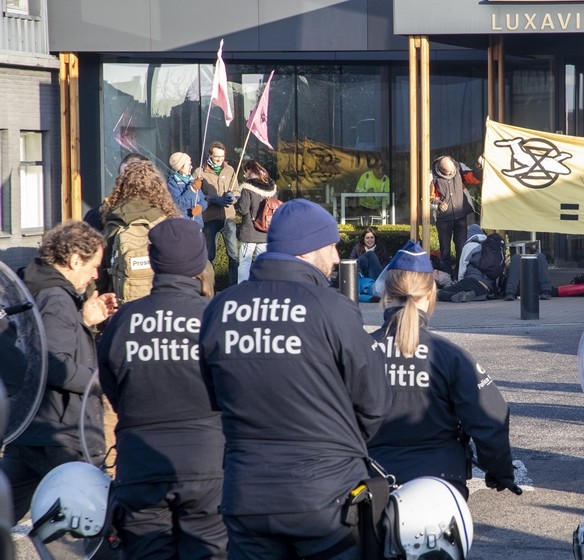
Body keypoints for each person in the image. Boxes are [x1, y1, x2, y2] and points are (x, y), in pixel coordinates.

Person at [199, 199, 391, 559]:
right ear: (307, 249)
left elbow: (213, 397)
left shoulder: (221, 309)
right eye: (331, 246)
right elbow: (374, 402)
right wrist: (341, 444)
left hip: (247, 494)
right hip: (325, 496)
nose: (337, 258)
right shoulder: (333, 308)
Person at [97, 218, 225, 559]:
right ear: (200, 262)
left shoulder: (124, 320)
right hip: (206, 463)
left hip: (139, 464)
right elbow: (235, 387)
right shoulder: (215, 317)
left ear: (154, 262)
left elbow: (111, 387)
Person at [367, 240, 518, 500]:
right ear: (430, 295)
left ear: (386, 294)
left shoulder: (358, 351)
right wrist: (500, 471)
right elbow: (490, 419)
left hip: (370, 483)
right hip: (440, 483)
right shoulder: (451, 356)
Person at [2, 221, 117, 521]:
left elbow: (39, 346)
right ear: (75, 260)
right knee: (89, 524)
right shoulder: (56, 298)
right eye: (93, 266)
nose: (95, 274)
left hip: (31, 427)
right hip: (61, 432)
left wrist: (84, 321)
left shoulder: (31, 285)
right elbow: (52, 364)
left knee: (6, 508)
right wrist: (100, 379)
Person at [97, 160, 182, 300]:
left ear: (121, 188)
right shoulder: (169, 226)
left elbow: (98, 281)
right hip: (164, 310)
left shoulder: (112, 229)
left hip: (123, 314)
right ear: (158, 187)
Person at [198, 141, 240, 285]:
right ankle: (210, 288)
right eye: (217, 157)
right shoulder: (199, 172)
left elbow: (236, 190)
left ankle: (232, 288)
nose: (220, 160)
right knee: (209, 256)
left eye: (222, 157)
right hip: (210, 218)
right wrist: (212, 199)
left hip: (228, 217)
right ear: (210, 155)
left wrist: (233, 197)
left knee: (234, 255)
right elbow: (196, 197)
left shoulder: (230, 170)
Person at [430, 155, 481, 270]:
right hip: (443, 219)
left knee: (462, 248)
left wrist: (478, 167)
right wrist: (438, 205)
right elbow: (428, 198)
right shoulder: (431, 176)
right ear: (440, 170)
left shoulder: (460, 167)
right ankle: (447, 274)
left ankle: (460, 275)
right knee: (445, 250)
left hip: (461, 216)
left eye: (453, 172)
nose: (451, 174)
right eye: (448, 173)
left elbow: (474, 178)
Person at [235, 160, 278, 283]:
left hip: (250, 231)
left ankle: (242, 288)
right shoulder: (272, 188)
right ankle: (264, 286)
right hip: (265, 231)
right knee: (263, 262)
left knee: (244, 262)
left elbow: (243, 210)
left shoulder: (247, 188)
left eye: (245, 171)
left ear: (250, 171)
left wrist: (236, 201)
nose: (244, 175)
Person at [437, 224, 499, 303]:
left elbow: (463, 266)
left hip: (472, 281)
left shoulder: (470, 245)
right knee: (458, 291)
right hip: (487, 287)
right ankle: (470, 295)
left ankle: (462, 296)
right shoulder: (490, 246)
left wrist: (460, 282)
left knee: (442, 292)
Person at [166, 152, 207, 227]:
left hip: (197, 225)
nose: (191, 167)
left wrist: (200, 207)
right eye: (188, 165)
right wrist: (192, 189)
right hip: (183, 227)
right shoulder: (172, 184)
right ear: (180, 168)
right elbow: (178, 204)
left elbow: (204, 200)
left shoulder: (192, 180)